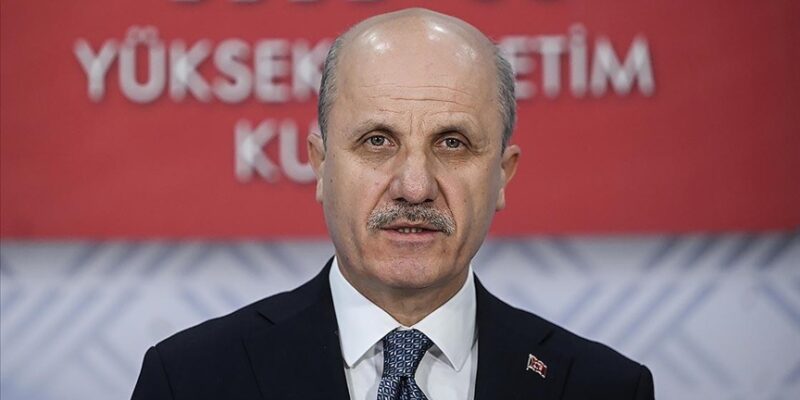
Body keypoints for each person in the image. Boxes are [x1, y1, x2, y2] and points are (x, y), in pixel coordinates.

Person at [131, 8, 654, 400]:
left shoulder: (601, 387)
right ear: (320, 164)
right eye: (377, 141)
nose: (414, 186)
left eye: (452, 143)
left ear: (502, 175)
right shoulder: (190, 380)